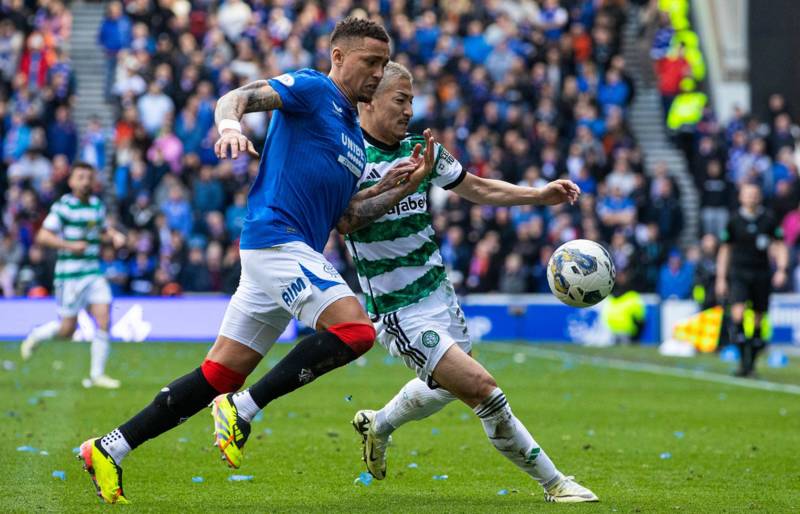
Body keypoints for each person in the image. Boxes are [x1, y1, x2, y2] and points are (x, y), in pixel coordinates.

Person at [76, 18, 432, 504]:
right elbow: (236, 97)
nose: (377, 72)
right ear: (338, 57)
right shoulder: (313, 89)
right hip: (276, 241)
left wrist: (398, 185)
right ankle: (243, 408)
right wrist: (230, 127)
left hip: (285, 254)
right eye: (370, 61)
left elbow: (347, 219)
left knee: (217, 375)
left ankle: (109, 448)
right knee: (355, 331)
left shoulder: (351, 132)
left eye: (383, 64)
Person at [341, 62, 596, 502]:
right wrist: (399, 187)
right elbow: (344, 221)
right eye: (400, 100)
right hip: (398, 309)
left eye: (412, 100)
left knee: (447, 387)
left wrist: (539, 195)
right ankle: (555, 483)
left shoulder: (421, 150)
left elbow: (478, 188)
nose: (409, 110)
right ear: (369, 100)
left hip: (440, 293)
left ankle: (379, 424)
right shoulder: (349, 156)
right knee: (483, 390)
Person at [20, 162, 126, 389]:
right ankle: (37, 335)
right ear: (71, 181)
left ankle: (97, 375)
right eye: (81, 177)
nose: (86, 182)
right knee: (67, 330)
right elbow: (42, 236)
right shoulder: (63, 207)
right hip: (70, 276)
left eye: (89, 177)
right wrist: (69, 245)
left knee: (104, 317)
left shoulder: (97, 205)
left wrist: (114, 235)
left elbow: (100, 230)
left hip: (93, 272)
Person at [716, 183, 788, 377]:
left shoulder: (768, 220)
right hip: (739, 273)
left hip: (761, 274)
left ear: (759, 197)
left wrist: (781, 269)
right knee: (738, 313)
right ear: (741, 197)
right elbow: (725, 250)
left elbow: (780, 245)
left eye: (755, 194)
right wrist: (721, 278)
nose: (751, 198)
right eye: (748, 194)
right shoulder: (734, 221)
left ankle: (751, 365)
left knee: (758, 319)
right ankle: (743, 362)